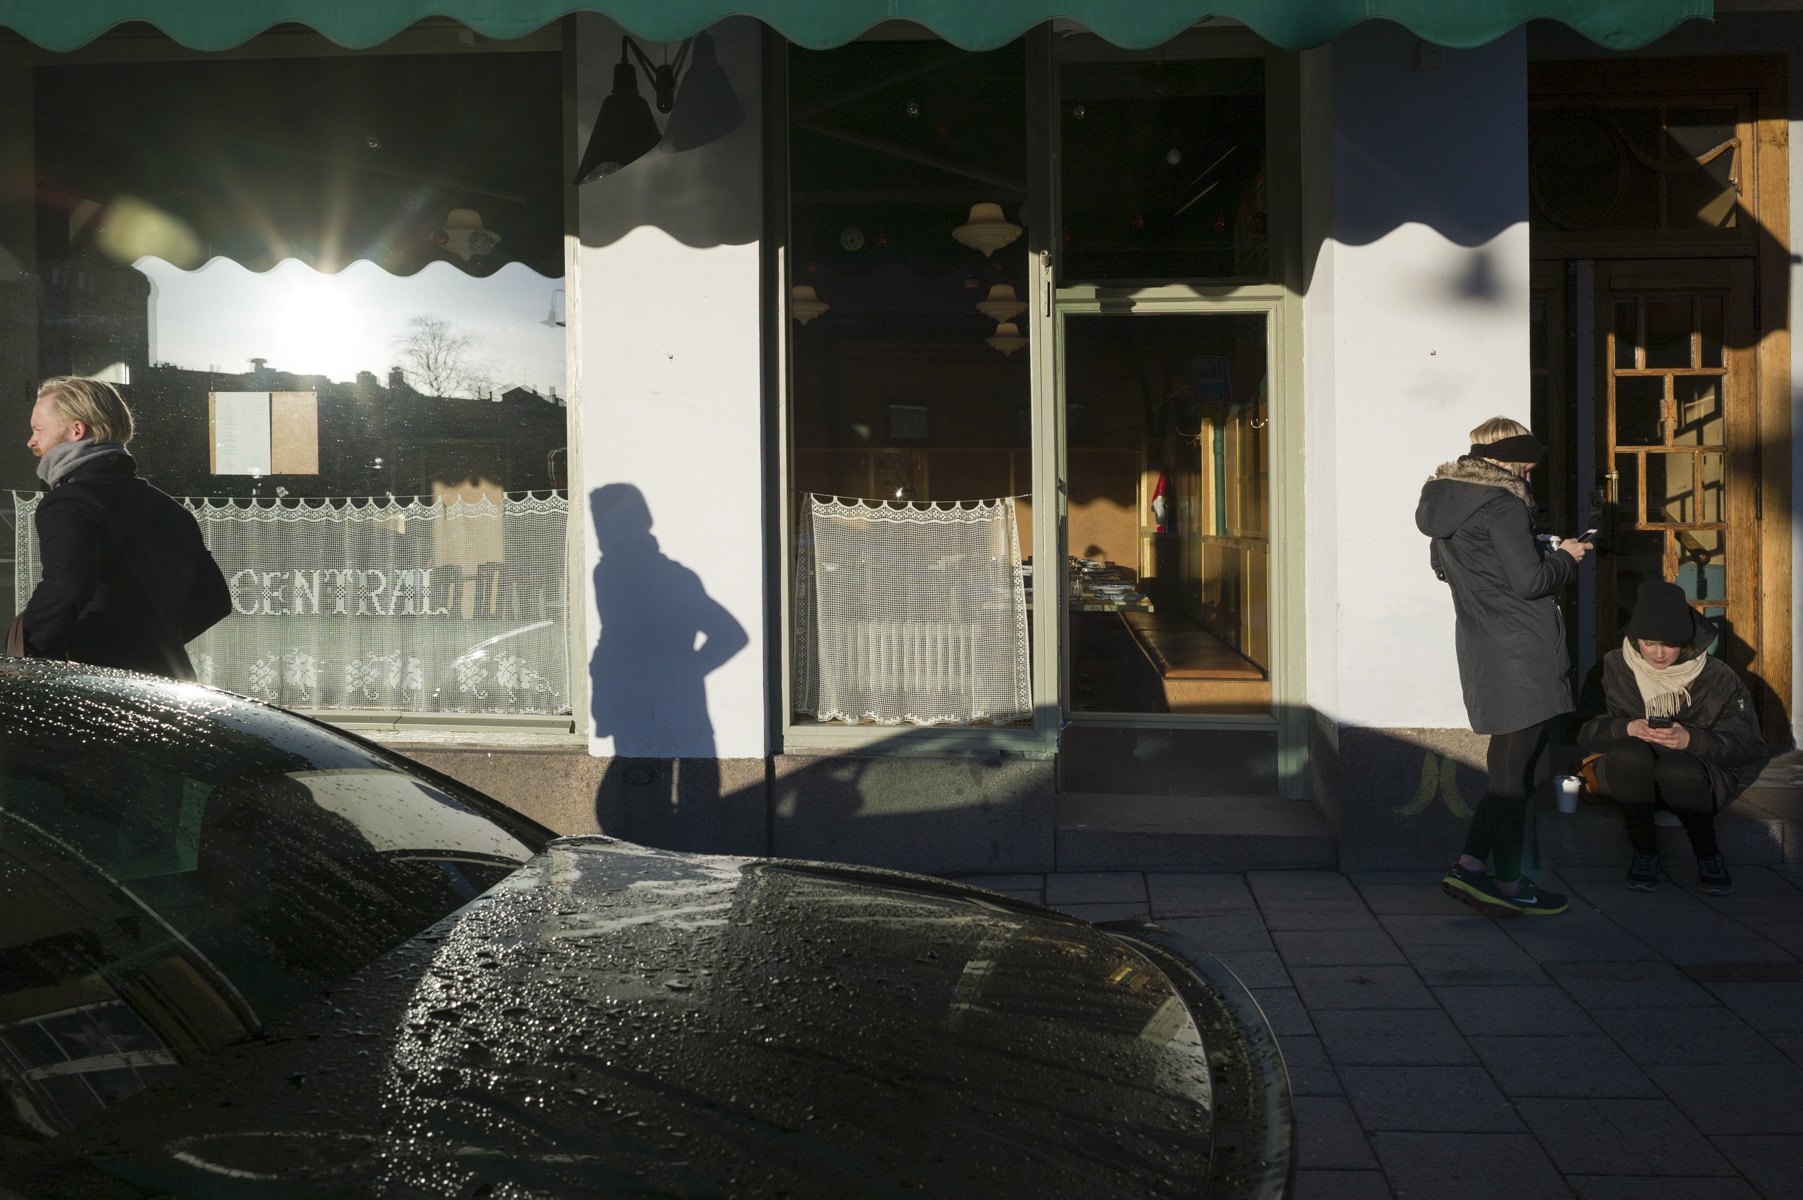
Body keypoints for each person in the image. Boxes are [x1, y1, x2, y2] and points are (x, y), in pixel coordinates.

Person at [1417, 417, 1588, 917]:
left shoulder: (1447, 501)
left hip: (1483, 643)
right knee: (1515, 775)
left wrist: (1534, 551)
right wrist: (1568, 557)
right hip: (1521, 651)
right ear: (1509, 462)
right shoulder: (1505, 505)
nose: (1529, 478)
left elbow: (1444, 568)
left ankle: (1471, 865)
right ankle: (1510, 885)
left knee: (1512, 766)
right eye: (1527, 469)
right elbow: (1532, 583)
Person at [21, 376, 230, 679]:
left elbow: (66, 586)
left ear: (77, 430)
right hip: (170, 680)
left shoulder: (71, 501)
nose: (32, 441)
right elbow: (214, 599)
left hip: (99, 685)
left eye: (39, 429)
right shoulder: (168, 507)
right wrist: (152, 645)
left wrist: (26, 657)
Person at [1577, 580, 1764, 896]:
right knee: (1630, 753)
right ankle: (1645, 853)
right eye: (1649, 643)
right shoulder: (1611, 668)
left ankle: (1708, 856)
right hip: (1628, 778)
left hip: (1693, 780)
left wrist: (1692, 740)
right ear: (1636, 638)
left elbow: (1749, 745)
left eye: (1670, 644)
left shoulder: (1718, 676)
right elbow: (1579, 730)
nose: (1659, 654)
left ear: (1686, 641)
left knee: (1676, 767)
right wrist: (1625, 728)